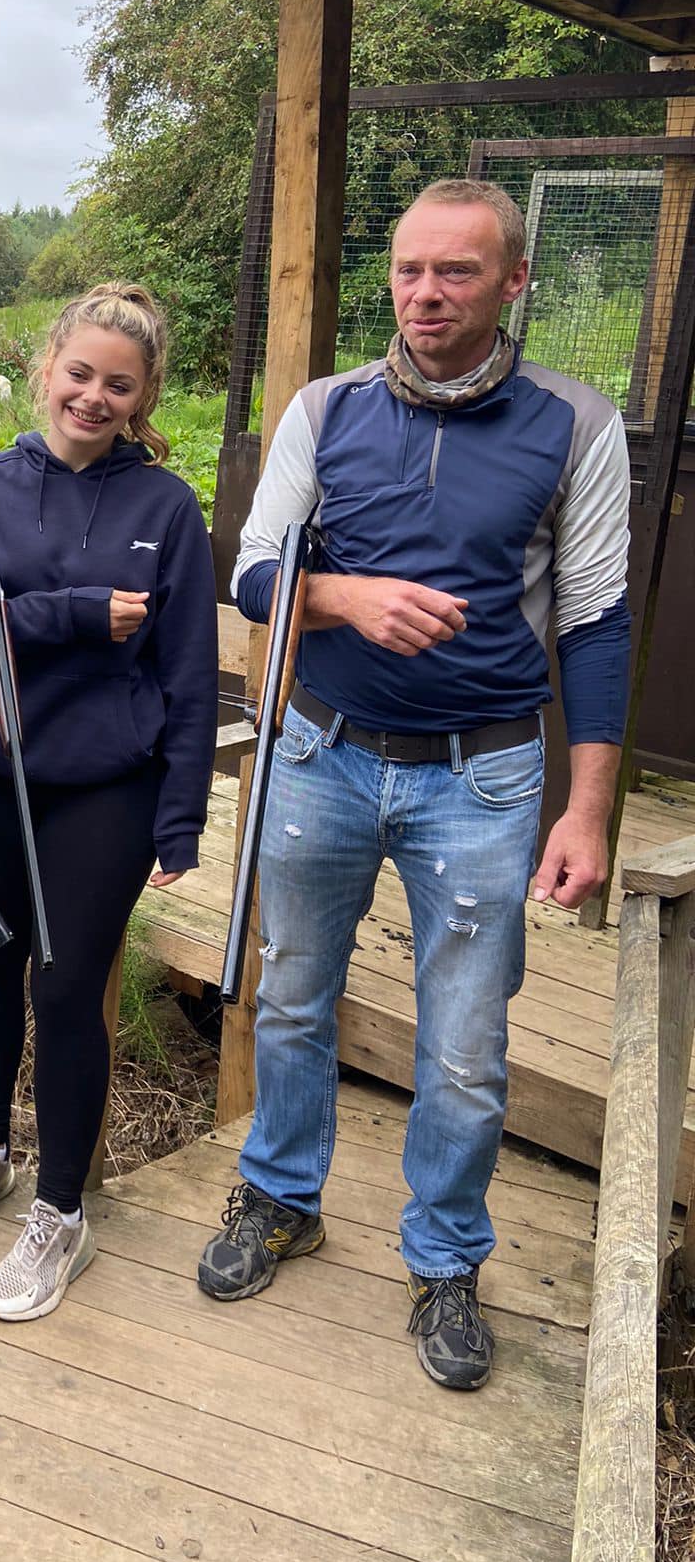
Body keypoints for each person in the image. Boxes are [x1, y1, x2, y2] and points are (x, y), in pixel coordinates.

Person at [198, 178, 631, 1391]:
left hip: (483, 777)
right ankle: (282, 1195)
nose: (425, 293)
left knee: (467, 1043)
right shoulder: (326, 409)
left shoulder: (576, 424)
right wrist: (343, 597)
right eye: (408, 269)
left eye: (456, 271)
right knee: (293, 996)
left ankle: (444, 1255)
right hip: (321, 752)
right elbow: (255, 571)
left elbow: (597, 622)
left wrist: (587, 806)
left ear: (514, 280)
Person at [0, 283, 217, 1322]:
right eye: (79, 373)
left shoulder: (166, 510)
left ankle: (60, 1212)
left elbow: (188, 668)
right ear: (47, 368)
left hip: (106, 787)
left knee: (66, 982)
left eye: (117, 385)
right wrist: (75, 614)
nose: (92, 396)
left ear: (142, 398)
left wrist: (181, 813)